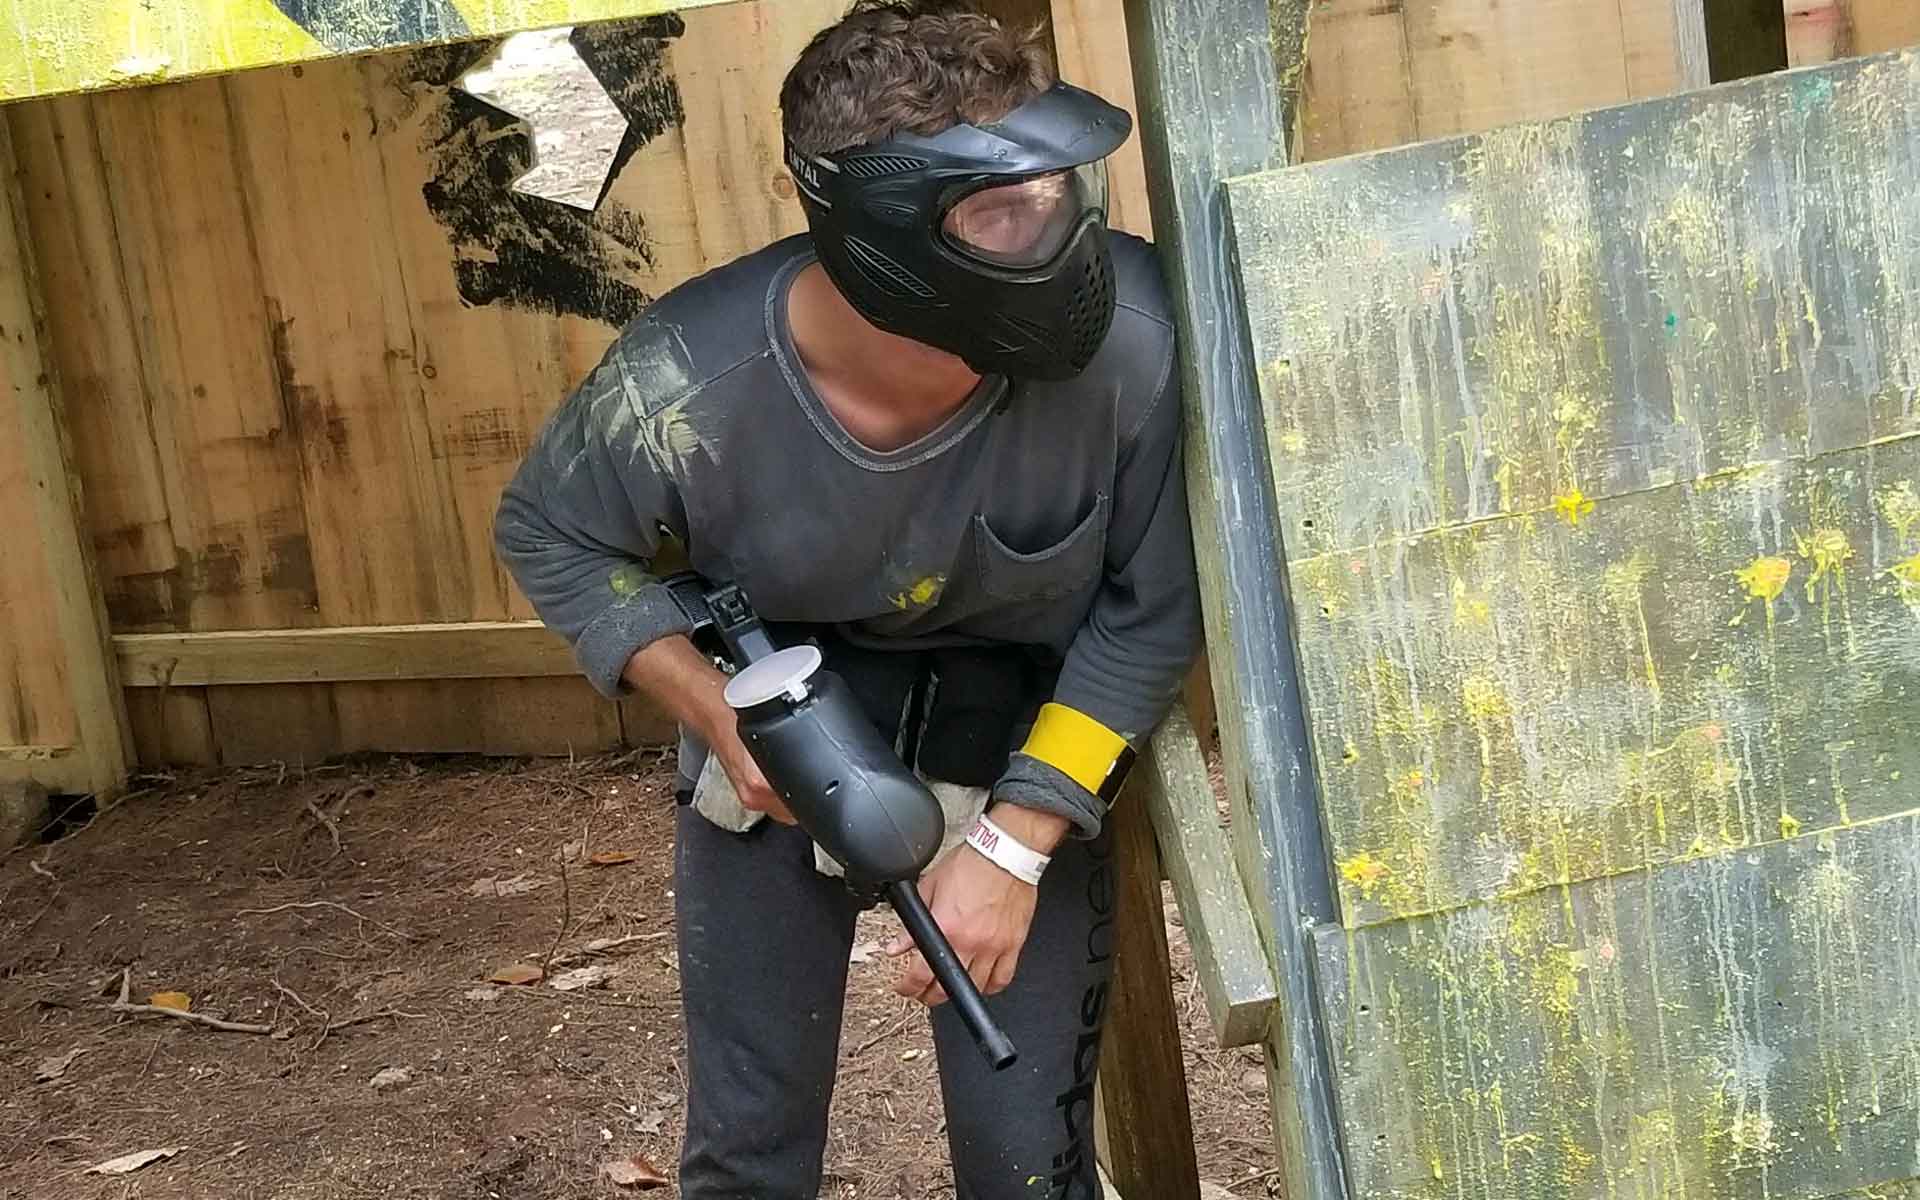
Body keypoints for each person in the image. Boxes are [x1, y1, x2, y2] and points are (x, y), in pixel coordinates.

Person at [493, 2, 1202, 1195]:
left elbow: (1147, 614)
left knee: (1026, 1166)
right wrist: (719, 712)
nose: (1064, 233)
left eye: (1059, 190)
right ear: (877, 222)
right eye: (1001, 208)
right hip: (787, 718)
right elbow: (552, 530)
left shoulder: (1130, 342)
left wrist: (1016, 845)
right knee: (749, 1154)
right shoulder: (683, 383)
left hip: (1029, 731)